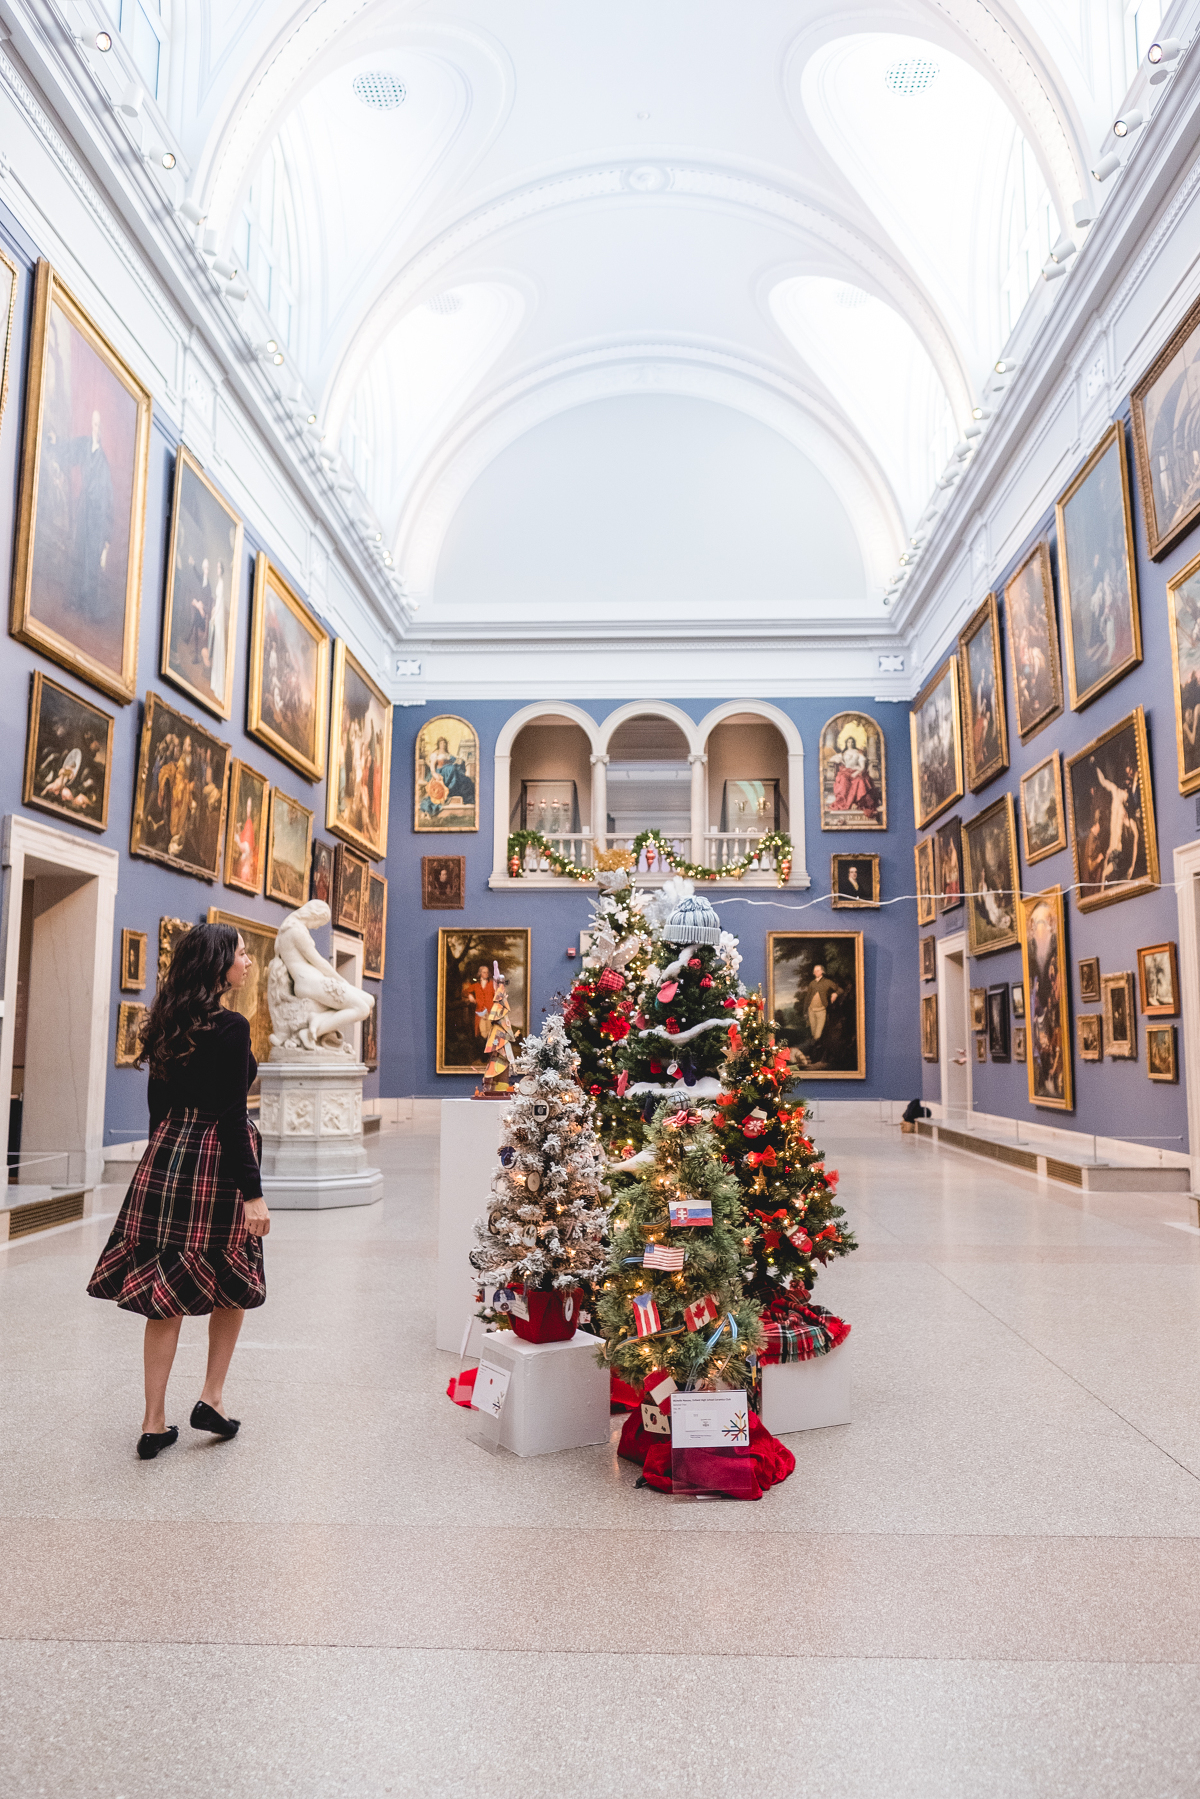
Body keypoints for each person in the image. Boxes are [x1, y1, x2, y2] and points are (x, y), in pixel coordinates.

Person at [87, 923, 269, 1460]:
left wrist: (160, 1160)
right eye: (241, 954)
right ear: (218, 964)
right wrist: (253, 1193)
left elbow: (156, 1108)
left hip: (167, 1154)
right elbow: (234, 1117)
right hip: (217, 1160)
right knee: (230, 1275)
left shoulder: (165, 1020)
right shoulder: (232, 1026)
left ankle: (152, 1422)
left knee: (163, 1290)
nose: (248, 963)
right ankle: (210, 1397)